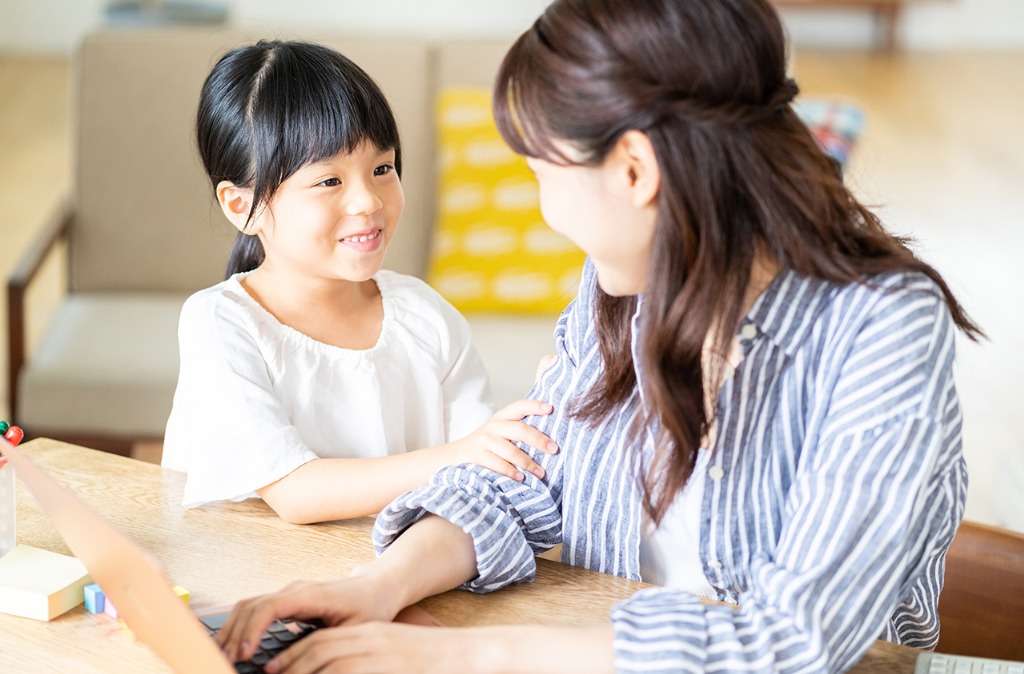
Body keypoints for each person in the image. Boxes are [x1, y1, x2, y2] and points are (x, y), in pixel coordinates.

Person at [213, 1, 982, 671]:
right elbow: (520, 477)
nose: (548, 211)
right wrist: (375, 588)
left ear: (635, 170)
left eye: (544, 176)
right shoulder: (624, 284)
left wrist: (459, 656)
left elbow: (786, 642)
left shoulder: (883, 330)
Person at [161, 40, 556, 524]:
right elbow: (296, 492)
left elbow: (484, 467)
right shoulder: (220, 323)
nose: (368, 201)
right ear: (244, 207)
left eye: (382, 168)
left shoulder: (425, 316)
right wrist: (461, 454)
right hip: (251, 577)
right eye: (329, 181)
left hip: (396, 572)